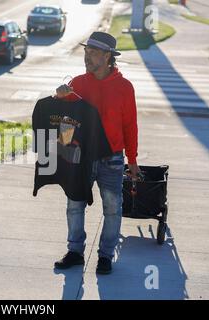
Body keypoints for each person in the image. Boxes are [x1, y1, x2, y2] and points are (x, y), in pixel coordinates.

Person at [54, 31, 140, 274]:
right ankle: (75, 252)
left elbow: (130, 126)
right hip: (81, 158)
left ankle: (105, 256)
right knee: (74, 205)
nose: (87, 57)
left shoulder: (124, 87)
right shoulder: (78, 83)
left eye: (92, 53)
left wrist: (132, 160)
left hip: (112, 158)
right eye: (86, 52)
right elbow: (66, 120)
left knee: (113, 208)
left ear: (107, 56)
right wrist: (63, 147)